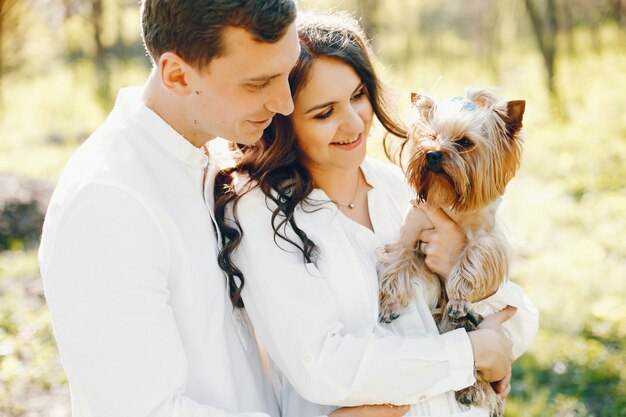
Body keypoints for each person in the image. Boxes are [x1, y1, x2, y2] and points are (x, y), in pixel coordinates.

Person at [215, 11, 539, 417]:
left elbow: (521, 320)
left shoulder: (403, 187)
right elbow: (326, 367)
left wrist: (471, 280)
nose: (353, 123)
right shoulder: (262, 216)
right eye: (323, 113)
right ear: (283, 120)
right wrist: (471, 353)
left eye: (357, 96)